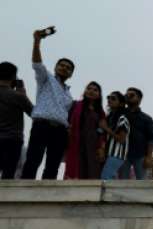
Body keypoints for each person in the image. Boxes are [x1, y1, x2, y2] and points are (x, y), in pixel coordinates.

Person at [22, 27, 74, 180]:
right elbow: (37, 64)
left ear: (71, 74)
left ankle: (46, 194)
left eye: (68, 68)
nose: (64, 68)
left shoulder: (68, 94)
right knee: (33, 160)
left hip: (60, 130)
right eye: (62, 65)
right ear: (56, 67)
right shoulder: (46, 79)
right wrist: (37, 41)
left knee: (53, 164)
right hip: (42, 125)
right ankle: (25, 193)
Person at [63, 81, 105, 179]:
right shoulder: (75, 105)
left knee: (92, 169)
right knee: (75, 167)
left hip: (93, 145)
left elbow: (101, 131)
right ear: (85, 91)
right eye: (89, 88)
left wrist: (101, 147)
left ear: (99, 95)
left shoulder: (100, 112)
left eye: (95, 90)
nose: (91, 91)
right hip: (76, 141)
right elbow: (67, 121)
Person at [0, 61, 34, 179]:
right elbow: (34, 113)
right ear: (13, 76)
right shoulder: (17, 96)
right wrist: (23, 94)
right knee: (8, 174)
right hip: (12, 140)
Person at [118, 87, 153, 180]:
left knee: (142, 183)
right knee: (122, 183)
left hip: (140, 155)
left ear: (139, 99)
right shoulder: (119, 114)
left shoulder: (146, 118)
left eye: (131, 95)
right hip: (122, 154)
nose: (128, 97)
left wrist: (148, 157)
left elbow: (151, 138)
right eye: (126, 95)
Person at [99, 91, 129, 180]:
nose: (109, 100)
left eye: (113, 98)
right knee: (109, 179)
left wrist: (106, 128)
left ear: (121, 103)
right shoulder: (109, 117)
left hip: (117, 154)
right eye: (108, 97)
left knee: (105, 178)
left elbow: (121, 139)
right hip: (108, 154)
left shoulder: (122, 118)